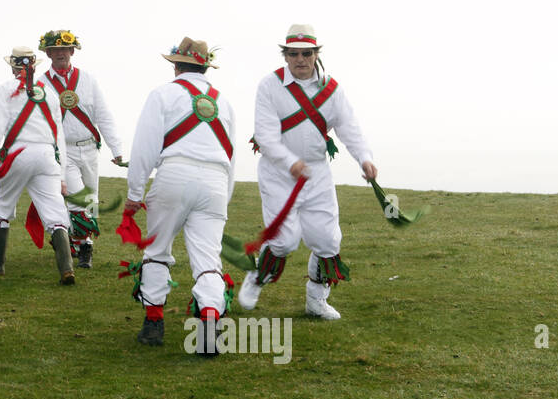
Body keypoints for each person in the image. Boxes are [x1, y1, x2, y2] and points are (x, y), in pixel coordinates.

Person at [238, 24, 376, 320]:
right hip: (279, 173)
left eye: (306, 53)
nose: (300, 59)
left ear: (316, 55)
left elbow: (349, 128)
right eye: (293, 54)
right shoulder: (269, 86)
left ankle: (316, 301)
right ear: (285, 56)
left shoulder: (332, 90)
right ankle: (257, 278)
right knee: (284, 240)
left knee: (328, 241)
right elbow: (264, 135)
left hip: (317, 175)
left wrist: (364, 158)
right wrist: (290, 162)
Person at [123, 37, 236, 354]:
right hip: (215, 181)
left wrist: (134, 194)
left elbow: (144, 147)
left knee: (158, 250)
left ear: (176, 65)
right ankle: (208, 331)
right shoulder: (223, 102)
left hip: (174, 174)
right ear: (205, 67)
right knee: (207, 260)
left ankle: (153, 324)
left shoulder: (163, 93)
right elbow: (232, 154)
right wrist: (222, 199)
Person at [0, 45, 76, 285]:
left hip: (17, 154)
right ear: (33, 65)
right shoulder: (49, 93)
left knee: (4, 207)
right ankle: (66, 268)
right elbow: (58, 135)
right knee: (54, 213)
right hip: (46, 156)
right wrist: (61, 174)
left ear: (13, 66)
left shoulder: (6, 90)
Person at [38, 29, 126, 269]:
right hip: (62, 152)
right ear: (48, 53)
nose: (60, 54)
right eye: (55, 50)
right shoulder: (41, 84)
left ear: (72, 51)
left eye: (64, 49)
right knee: (79, 198)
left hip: (89, 149)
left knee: (91, 200)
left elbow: (103, 114)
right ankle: (85, 245)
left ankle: (68, 237)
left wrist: (116, 148)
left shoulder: (88, 80)